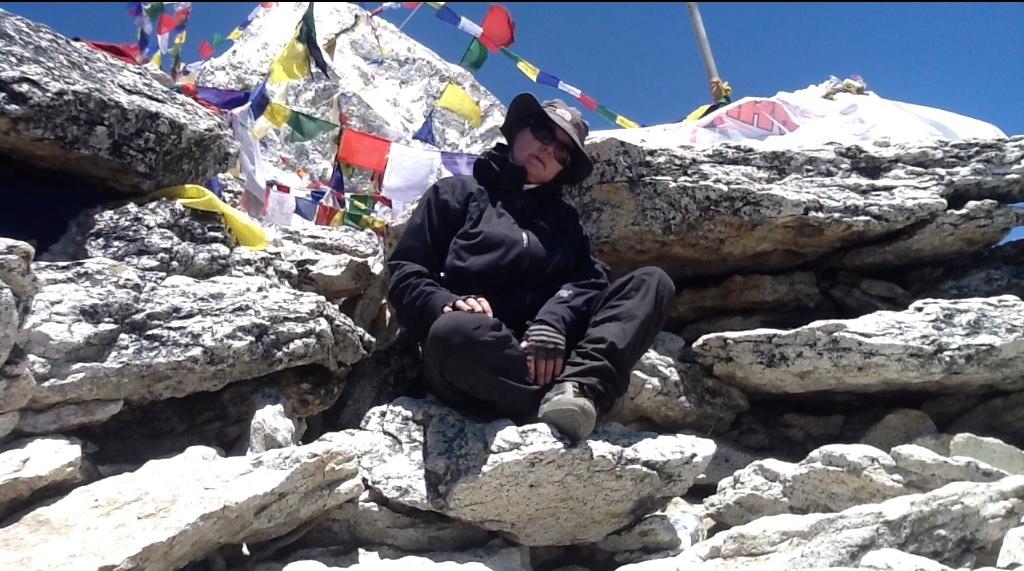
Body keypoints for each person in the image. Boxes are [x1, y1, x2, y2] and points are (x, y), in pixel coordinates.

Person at [387, 92, 675, 441]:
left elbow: (591, 280)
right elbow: (407, 273)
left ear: (563, 168)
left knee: (652, 283)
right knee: (454, 333)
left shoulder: (566, 223)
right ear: (519, 129)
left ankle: (577, 389)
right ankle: (559, 402)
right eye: (543, 132)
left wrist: (553, 320)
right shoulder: (455, 194)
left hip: (555, 355)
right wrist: (446, 303)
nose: (549, 150)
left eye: (563, 152)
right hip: (483, 351)